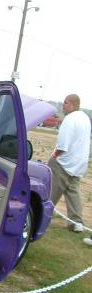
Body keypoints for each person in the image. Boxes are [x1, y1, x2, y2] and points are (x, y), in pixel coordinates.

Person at [48, 94, 91, 233]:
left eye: (65, 103)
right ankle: (76, 223)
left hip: (64, 161)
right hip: (79, 162)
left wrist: (54, 156)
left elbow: (63, 144)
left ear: (73, 104)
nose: (63, 105)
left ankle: (43, 215)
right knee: (73, 192)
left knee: (51, 189)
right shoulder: (85, 118)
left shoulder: (69, 119)